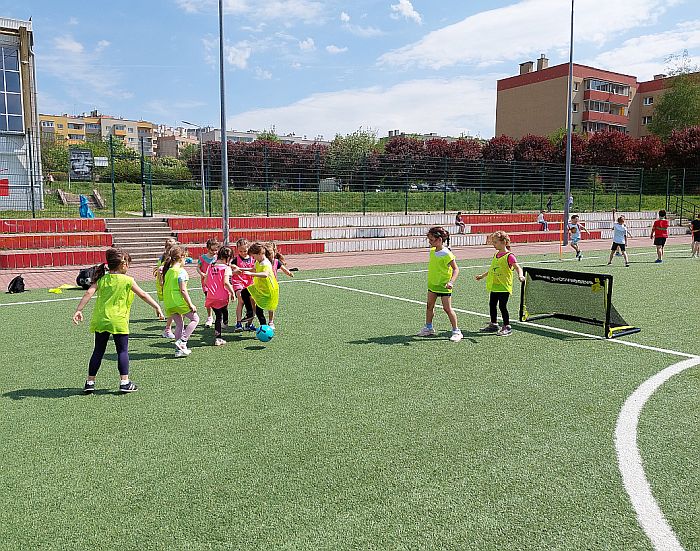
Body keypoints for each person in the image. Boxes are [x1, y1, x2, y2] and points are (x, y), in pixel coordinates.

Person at [72, 247, 164, 393]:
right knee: (122, 351)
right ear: (123, 264)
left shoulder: (102, 279)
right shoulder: (128, 280)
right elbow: (143, 294)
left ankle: (90, 382)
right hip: (119, 320)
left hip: (101, 320)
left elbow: (89, 293)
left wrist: (79, 310)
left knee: (98, 351)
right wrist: (157, 306)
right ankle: (124, 382)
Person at [416, 226, 463, 342]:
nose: (429, 242)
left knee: (447, 309)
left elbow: (456, 269)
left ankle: (456, 331)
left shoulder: (447, 254)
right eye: (429, 239)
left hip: (444, 286)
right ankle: (428, 328)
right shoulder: (432, 251)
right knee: (429, 307)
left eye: (432, 240)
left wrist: (451, 282)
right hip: (432, 285)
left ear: (440, 240)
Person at [475, 231, 525, 337]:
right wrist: (482, 276)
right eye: (493, 242)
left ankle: (507, 326)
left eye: (495, 242)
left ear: (504, 242)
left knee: (502, 306)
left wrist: (520, 276)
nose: (493, 244)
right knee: (492, 304)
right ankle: (493, 324)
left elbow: (518, 268)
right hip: (495, 285)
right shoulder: (496, 255)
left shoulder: (509, 256)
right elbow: (492, 269)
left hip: (504, 286)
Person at [163, 245, 199, 357]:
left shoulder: (168, 271)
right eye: (185, 258)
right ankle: (183, 341)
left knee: (179, 324)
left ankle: (178, 351)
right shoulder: (181, 271)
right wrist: (190, 304)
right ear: (182, 257)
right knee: (195, 319)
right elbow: (183, 290)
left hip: (169, 303)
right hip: (178, 301)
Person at [233, 242, 279, 328]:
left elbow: (265, 274)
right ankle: (250, 313)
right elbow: (253, 269)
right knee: (244, 292)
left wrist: (251, 274)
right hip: (259, 287)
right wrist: (240, 269)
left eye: (254, 256)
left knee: (259, 310)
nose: (253, 258)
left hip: (267, 289)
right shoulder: (258, 261)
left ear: (259, 254)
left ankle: (264, 326)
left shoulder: (265, 263)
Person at [204, 246, 235, 346]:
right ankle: (223, 327)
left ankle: (218, 336)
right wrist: (233, 293)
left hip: (211, 296)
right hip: (222, 296)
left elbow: (205, 281)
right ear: (228, 258)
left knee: (218, 316)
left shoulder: (211, 266)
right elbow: (226, 282)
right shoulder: (227, 268)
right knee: (223, 310)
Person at [265, 241, 295, 330]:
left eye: (270, 253)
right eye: (266, 254)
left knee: (271, 305)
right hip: (262, 286)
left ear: (274, 253)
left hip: (272, 287)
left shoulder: (276, 262)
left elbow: (284, 269)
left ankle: (271, 321)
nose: (268, 256)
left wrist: (289, 273)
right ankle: (251, 318)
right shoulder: (262, 262)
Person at [154, 237, 177, 338]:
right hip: (168, 286)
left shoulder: (167, 259)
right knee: (173, 308)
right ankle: (168, 329)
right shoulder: (167, 260)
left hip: (170, 285)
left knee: (176, 309)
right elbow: (160, 271)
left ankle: (175, 328)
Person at [231, 238, 256, 332]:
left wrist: (241, 269)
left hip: (250, 283)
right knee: (241, 300)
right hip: (238, 282)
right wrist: (234, 271)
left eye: (245, 251)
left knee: (253, 302)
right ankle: (238, 323)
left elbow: (254, 270)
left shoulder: (253, 259)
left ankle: (249, 324)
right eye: (240, 251)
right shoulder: (235, 260)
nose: (243, 253)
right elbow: (229, 271)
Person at [197, 238, 219, 328]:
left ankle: (219, 316)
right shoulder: (202, 258)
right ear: (208, 248)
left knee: (217, 299)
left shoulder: (217, 258)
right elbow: (198, 267)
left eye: (216, 250)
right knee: (208, 299)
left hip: (216, 282)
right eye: (212, 250)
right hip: (206, 283)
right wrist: (202, 273)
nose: (214, 252)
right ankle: (210, 317)